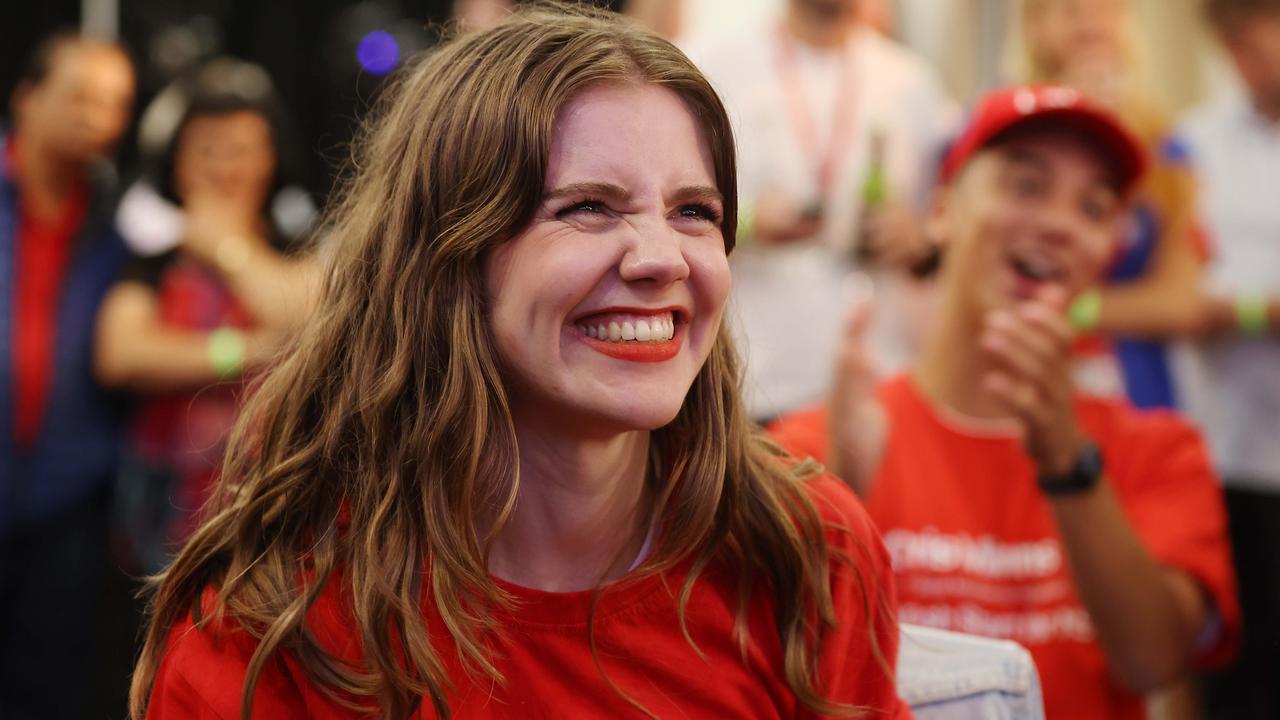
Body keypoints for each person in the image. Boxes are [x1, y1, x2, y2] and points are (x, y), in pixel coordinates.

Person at [129, 6, 908, 719]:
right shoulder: (271, 626)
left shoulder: (808, 553)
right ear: (445, 259)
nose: (663, 258)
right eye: (589, 207)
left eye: (694, 212)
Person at [768, 85, 1240, 720]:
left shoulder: (1159, 452)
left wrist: (1066, 459)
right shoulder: (819, 442)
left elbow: (1154, 662)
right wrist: (842, 496)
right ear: (941, 211)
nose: (1059, 224)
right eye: (1026, 186)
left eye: (1095, 208)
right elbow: (765, 668)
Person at [95, 59, 319, 571]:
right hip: (160, 516)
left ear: (271, 158)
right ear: (175, 162)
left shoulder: (301, 249)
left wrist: (226, 248)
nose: (224, 168)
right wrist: (249, 351)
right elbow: (122, 354)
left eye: (241, 149)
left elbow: (307, 318)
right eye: (206, 150)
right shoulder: (152, 260)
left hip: (275, 513)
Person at [688, 0, 956, 420]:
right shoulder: (710, 64)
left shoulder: (911, 82)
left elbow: (948, 225)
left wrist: (918, 239)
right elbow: (668, 211)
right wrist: (750, 223)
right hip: (752, 384)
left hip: (878, 377)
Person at [0, 33, 135, 720]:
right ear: (26, 95)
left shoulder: (121, 224)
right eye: (80, 95)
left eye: (115, 104)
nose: (98, 117)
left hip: (68, 506)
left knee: (49, 689)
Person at [1014, 0, 1225, 409]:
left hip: (1138, 398)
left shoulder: (1164, 146)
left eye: (1107, 9)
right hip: (1021, 386)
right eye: (1071, 11)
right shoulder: (997, 133)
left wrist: (1073, 308)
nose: (1092, 26)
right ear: (1035, 25)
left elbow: (1183, 303)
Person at [1179, 1, 1280, 716]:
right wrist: (1254, 310)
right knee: (1239, 674)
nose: (1254, 51)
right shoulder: (1195, 144)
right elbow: (1179, 294)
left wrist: (1239, 307)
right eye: (1235, 37)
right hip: (1231, 448)